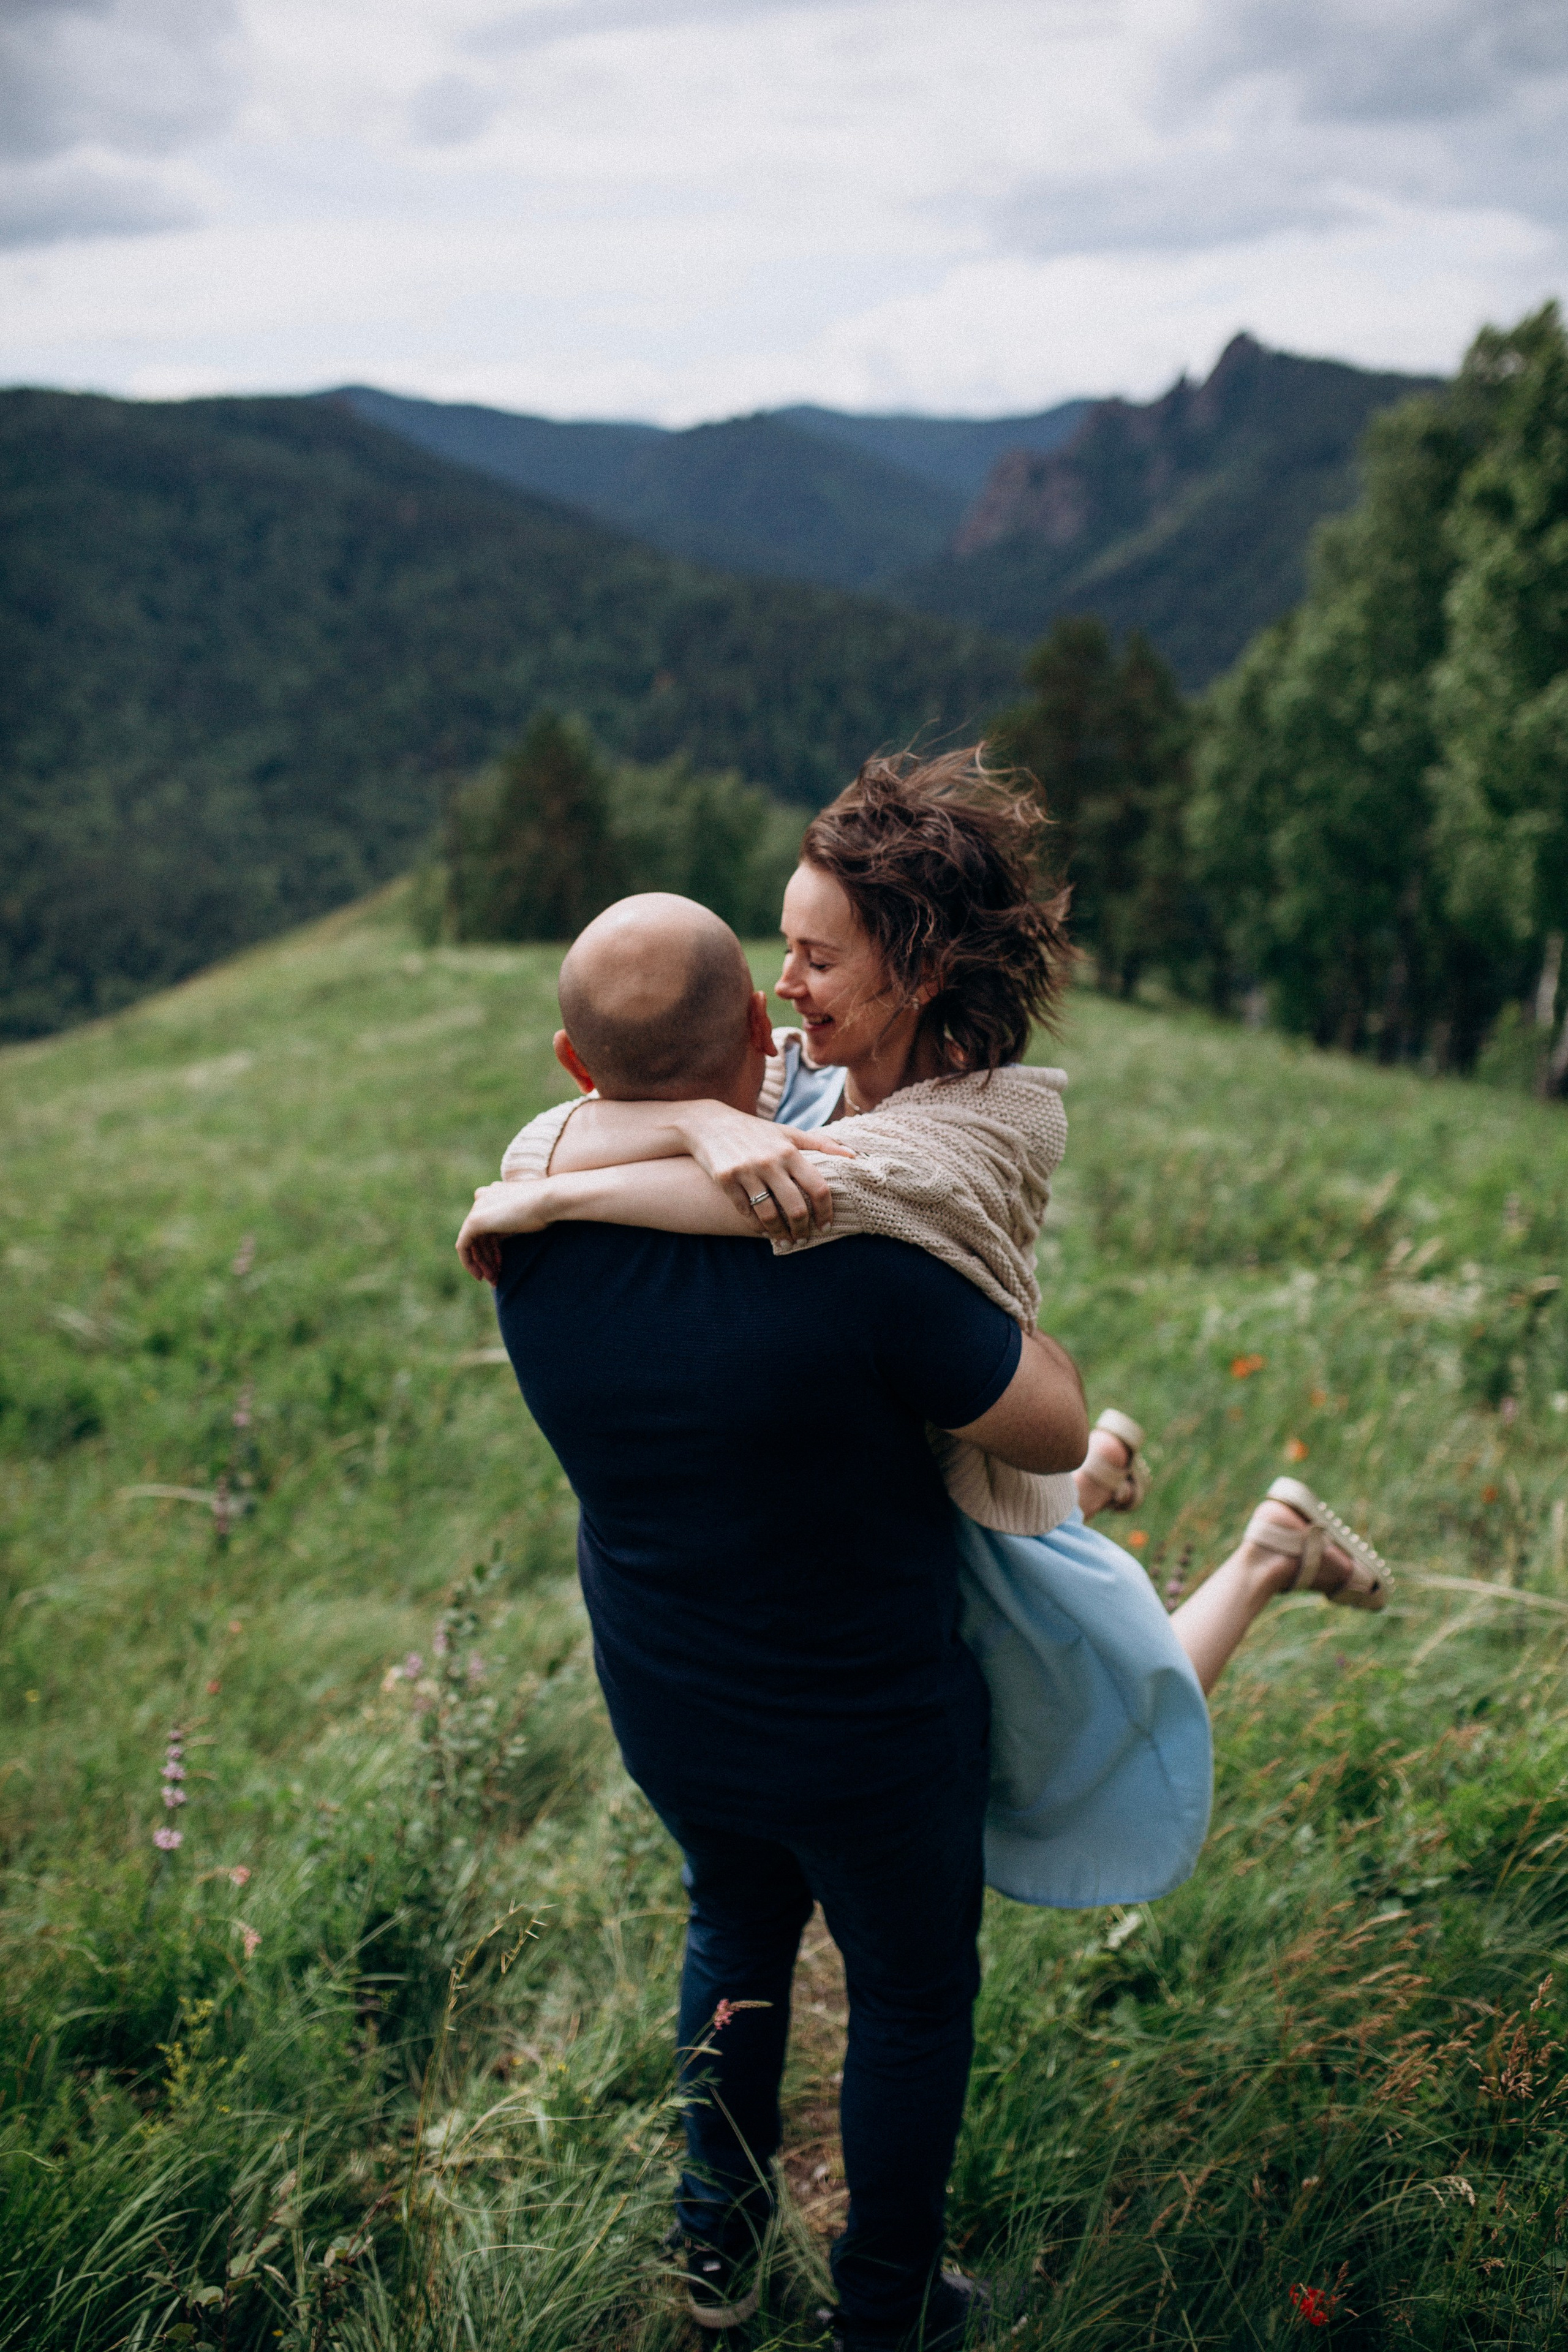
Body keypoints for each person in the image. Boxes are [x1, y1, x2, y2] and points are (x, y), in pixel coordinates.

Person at [461, 755, 1390, 1912]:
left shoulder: (968, 1128)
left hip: (987, 1444)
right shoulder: (806, 1072)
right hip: (922, 1454)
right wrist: (696, 1117)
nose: (785, 983)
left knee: (1076, 1761)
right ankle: (1098, 1484)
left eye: (819, 957)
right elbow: (557, 1126)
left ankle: (1265, 1553)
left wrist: (553, 1199)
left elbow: (791, 1191)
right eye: (784, 948)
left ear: (925, 969)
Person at [475, 890, 1091, 2351]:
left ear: (573, 1064)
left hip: (669, 1701)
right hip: (869, 1731)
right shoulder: (856, 1250)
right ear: (762, 1040)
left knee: (734, 1934)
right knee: (907, 2000)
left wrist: (685, 1125)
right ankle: (884, 2319)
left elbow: (574, 1143)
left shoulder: (521, 1234)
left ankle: (715, 2259)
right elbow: (1053, 1428)